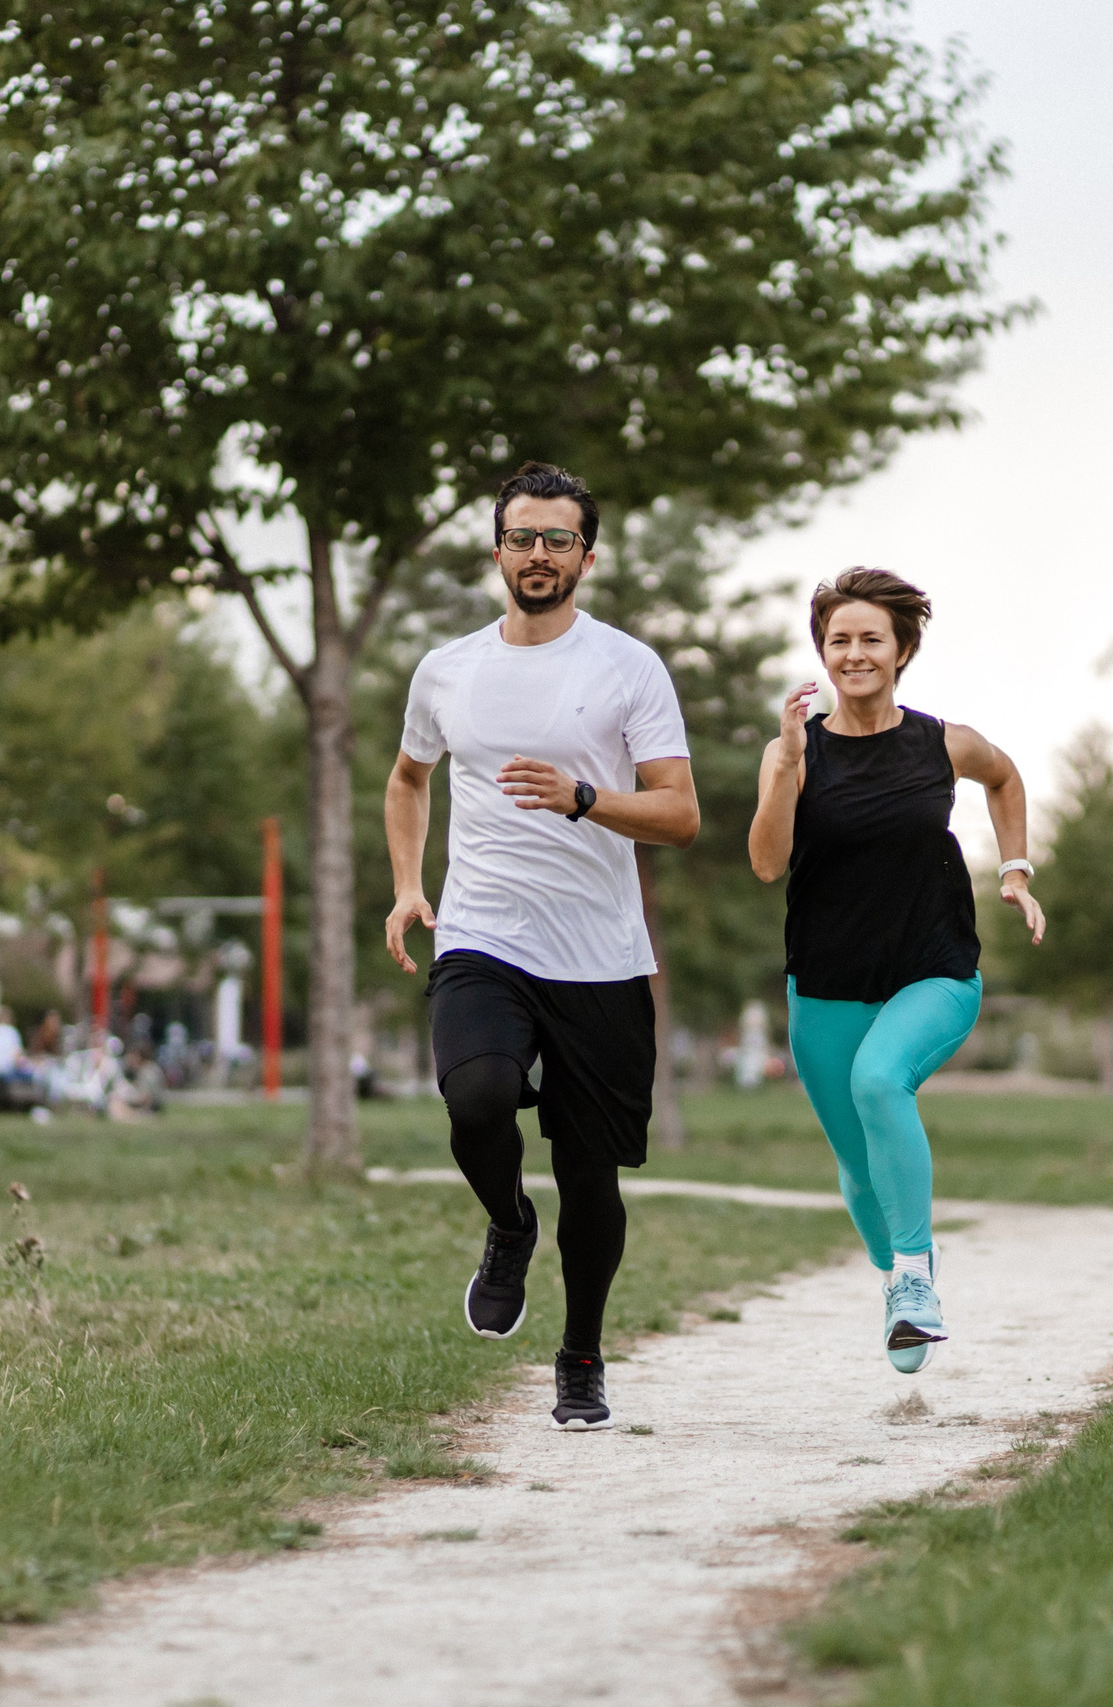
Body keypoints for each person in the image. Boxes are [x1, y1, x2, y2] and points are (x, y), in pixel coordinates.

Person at [384, 461, 699, 1431]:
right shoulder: (447, 670)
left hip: (599, 958)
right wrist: (407, 887)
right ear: (497, 551)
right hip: (483, 934)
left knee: (589, 1176)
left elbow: (681, 815)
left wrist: (585, 799)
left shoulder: (627, 668)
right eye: (522, 537)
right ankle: (508, 1226)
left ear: (586, 558)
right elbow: (407, 781)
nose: (538, 554)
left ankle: (581, 1356)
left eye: (557, 539)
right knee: (474, 1096)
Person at [747, 568, 1044, 1374]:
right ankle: (898, 1283)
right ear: (822, 652)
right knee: (857, 1164)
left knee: (882, 1082)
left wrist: (1014, 867)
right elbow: (767, 863)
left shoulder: (944, 742)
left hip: (935, 966)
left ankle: (914, 1278)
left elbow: (1006, 775)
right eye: (838, 640)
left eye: (870, 638)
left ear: (903, 648)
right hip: (827, 981)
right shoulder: (797, 753)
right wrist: (781, 768)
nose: (854, 653)